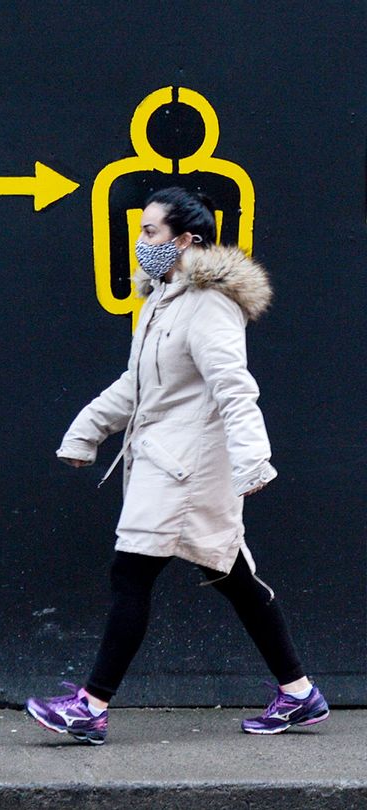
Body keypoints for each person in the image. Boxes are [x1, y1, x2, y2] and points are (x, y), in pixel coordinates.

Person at [25, 187, 327, 745]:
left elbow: (233, 387)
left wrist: (253, 459)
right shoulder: (163, 300)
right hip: (168, 461)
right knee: (231, 576)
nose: (140, 243)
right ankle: (300, 692)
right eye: (140, 232)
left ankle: (90, 707)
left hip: (185, 468)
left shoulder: (209, 303)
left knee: (131, 573)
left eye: (150, 233)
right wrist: (86, 430)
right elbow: (137, 386)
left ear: (186, 239)